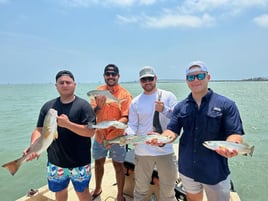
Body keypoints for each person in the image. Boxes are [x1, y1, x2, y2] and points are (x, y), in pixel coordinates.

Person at [152, 61, 245, 201]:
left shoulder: (227, 105)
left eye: (200, 75)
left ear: (208, 77)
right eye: (191, 77)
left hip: (215, 171)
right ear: (186, 81)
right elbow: (171, 131)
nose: (195, 80)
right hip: (188, 169)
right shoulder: (180, 107)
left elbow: (235, 133)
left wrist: (231, 145)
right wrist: (160, 139)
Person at [24, 70, 96, 201]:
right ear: (56, 86)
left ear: (74, 84)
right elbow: (39, 130)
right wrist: (33, 146)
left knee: (83, 193)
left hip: (79, 162)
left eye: (68, 82)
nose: (64, 85)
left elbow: (90, 132)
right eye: (61, 82)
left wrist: (68, 124)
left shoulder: (84, 106)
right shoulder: (48, 107)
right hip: (55, 162)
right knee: (60, 193)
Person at [126, 66, 178, 201]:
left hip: (165, 150)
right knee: (140, 190)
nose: (147, 82)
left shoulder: (168, 96)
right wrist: (130, 135)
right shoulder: (135, 101)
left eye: (150, 78)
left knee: (168, 190)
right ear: (140, 81)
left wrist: (164, 109)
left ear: (156, 78)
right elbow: (132, 124)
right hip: (143, 151)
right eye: (144, 79)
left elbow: (178, 120)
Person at [90, 64, 132, 201]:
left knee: (118, 165)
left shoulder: (125, 94)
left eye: (113, 74)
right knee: (98, 163)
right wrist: (98, 107)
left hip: (118, 137)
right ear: (104, 76)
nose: (110, 76)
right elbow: (91, 114)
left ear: (118, 76)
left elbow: (126, 117)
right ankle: (97, 188)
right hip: (99, 137)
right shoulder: (97, 91)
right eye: (108, 74)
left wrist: (112, 132)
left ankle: (120, 195)